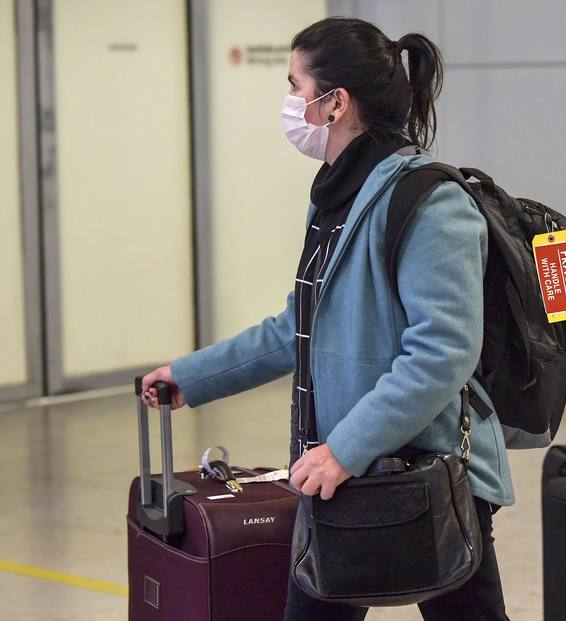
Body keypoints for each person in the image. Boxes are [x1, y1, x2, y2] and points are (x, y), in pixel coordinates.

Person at [141, 17, 514, 621]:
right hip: (340, 469)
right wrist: (193, 375)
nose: (289, 104)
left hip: (424, 474)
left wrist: (345, 448)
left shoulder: (431, 201)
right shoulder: (336, 194)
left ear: (334, 103)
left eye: (295, 85)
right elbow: (300, 326)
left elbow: (443, 350)